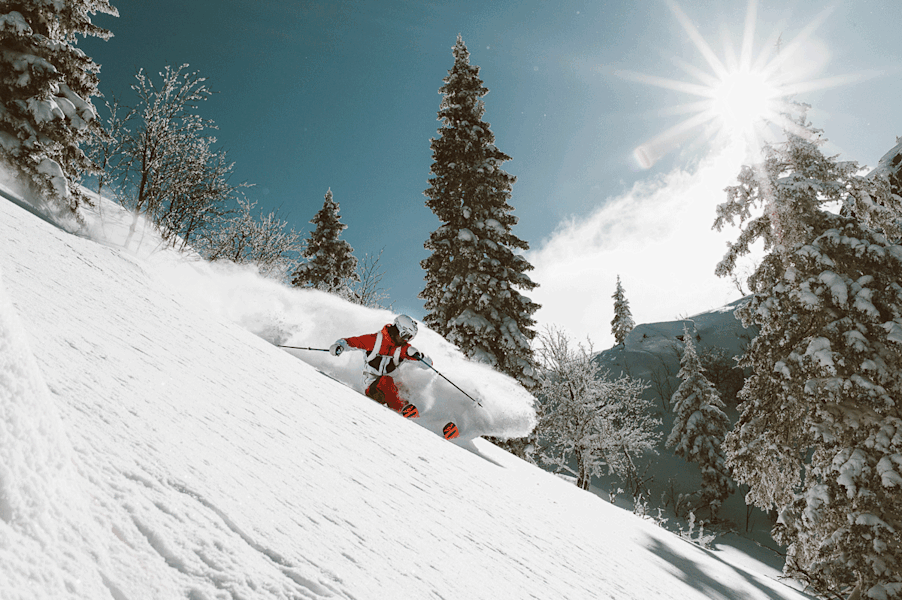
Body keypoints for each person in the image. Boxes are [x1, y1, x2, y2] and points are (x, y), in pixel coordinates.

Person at [330, 315, 432, 417]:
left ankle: (423, 419)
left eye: (409, 338)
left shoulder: (404, 349)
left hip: (393, 386)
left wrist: (419, 356)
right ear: (399, 329)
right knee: (386, 381)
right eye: (406, 336)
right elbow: (350, 342)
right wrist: (339, 346)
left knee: (407, 388)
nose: (406, 340)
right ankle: (402, 412)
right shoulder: (374, 341)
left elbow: (428, 365)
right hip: (373, 388)